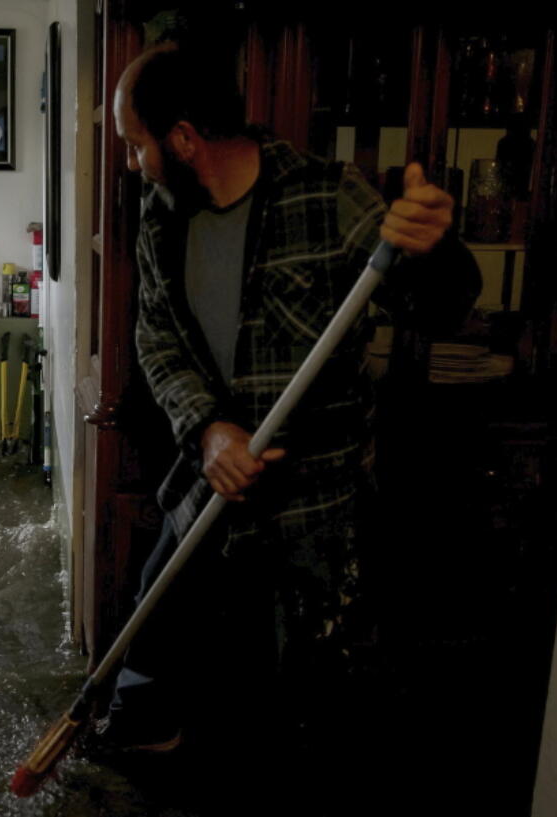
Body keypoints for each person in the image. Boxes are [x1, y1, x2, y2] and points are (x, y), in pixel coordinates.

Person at [94, 44, 481, 780]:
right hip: (209, 485)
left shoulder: (331, 197)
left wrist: (434, 250)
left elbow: (441, 305)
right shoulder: (161, 216)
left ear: (181, 139)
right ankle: (146, 735)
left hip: (315, 506)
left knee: (298, 698)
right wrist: (208, 428)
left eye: (134, 142)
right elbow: (158, 337)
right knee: (158, 622)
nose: (132, 161)